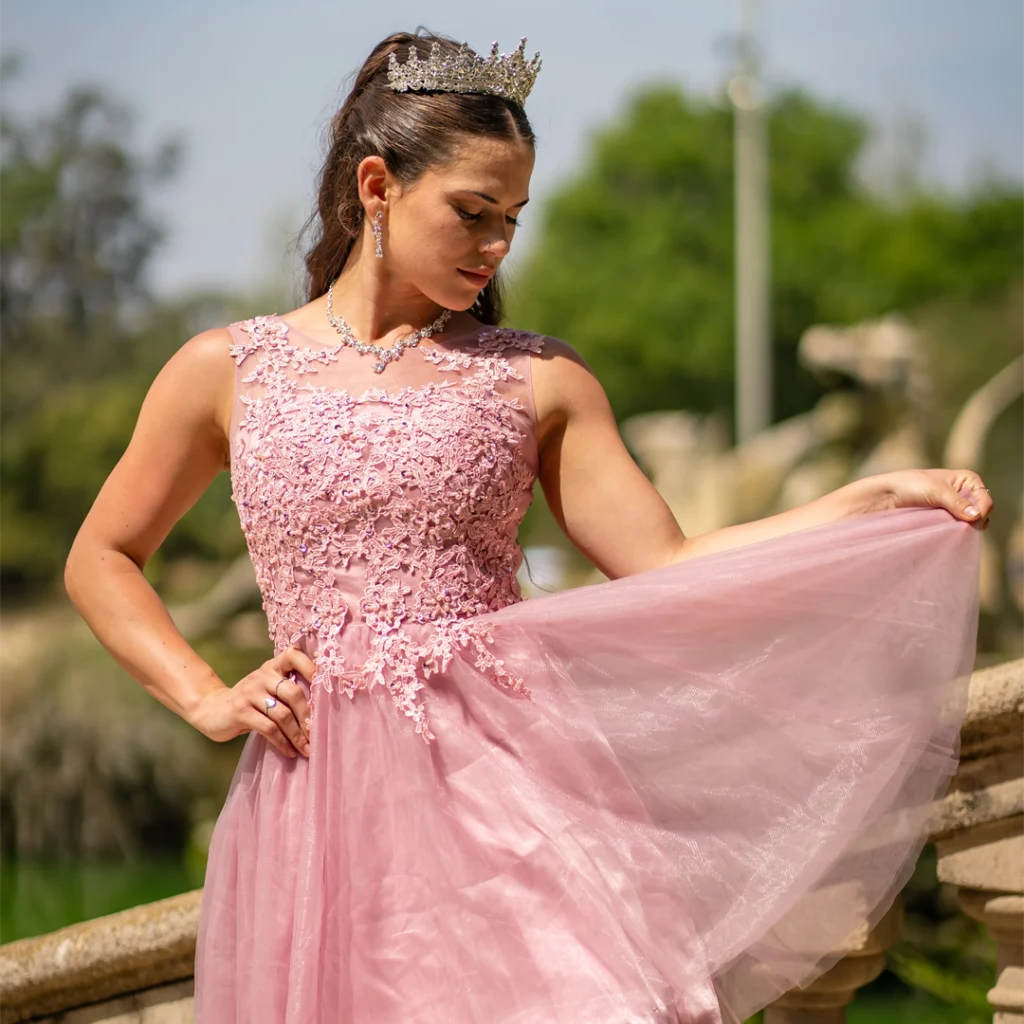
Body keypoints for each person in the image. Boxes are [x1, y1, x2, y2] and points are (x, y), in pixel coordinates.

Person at [64, 30, 991, 1024]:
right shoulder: (226, 369)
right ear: (376, 186)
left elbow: (667, 561)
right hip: (313, 811)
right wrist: (203, 694)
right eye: (472, 214)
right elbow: (101, 557)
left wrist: (864, 501)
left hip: (510, 795)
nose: (498, 246)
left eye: (511, 218)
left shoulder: (536, 377)